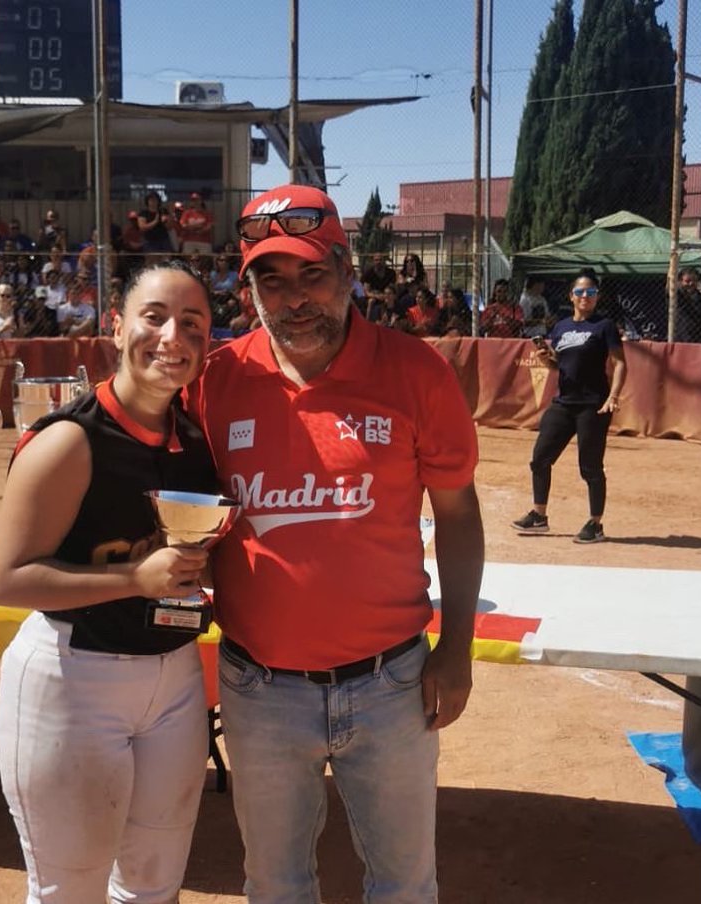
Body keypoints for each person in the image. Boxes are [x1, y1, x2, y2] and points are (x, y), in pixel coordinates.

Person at [189, 184, 483, 902]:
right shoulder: (217, 381)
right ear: (250, 290)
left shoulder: (416, 372)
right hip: (258, 687)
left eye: (313, 274)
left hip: (392, 686)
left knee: (404, 884)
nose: (295, 299)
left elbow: (458, 514)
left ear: (348, 271)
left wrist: (457, 648)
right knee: (276, 883)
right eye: (271, 280)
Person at [0, 259, 216, 904]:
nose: (172, 337)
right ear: (116, 328)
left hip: (174, 675)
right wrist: (134, 577)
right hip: (73, 675)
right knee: (68, 889)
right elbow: (6, 581)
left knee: (155, 885)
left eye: (192, 324)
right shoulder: (69, 439)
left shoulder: (195, 440)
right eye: (154, 317)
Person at [512, 267, 627, 544]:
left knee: (590, 467)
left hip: (593, 405)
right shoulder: (561, 327)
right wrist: (546, 360)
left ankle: (595, 524)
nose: (585, 296)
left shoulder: (604, 326)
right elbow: (560, 365)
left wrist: (613, 397)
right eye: (580, 292)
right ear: (571, 296)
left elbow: (620, 363)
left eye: (591, 292)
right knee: (540, 458)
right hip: (564, 403)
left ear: (597, 296)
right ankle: (539, 515)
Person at [674, 267, 701, 343]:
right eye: (687, 281)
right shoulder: (677, 296)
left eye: (694, 280)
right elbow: (669, 288)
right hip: (679, 339)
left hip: (698, 339)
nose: (691, 283)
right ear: (681, 281)